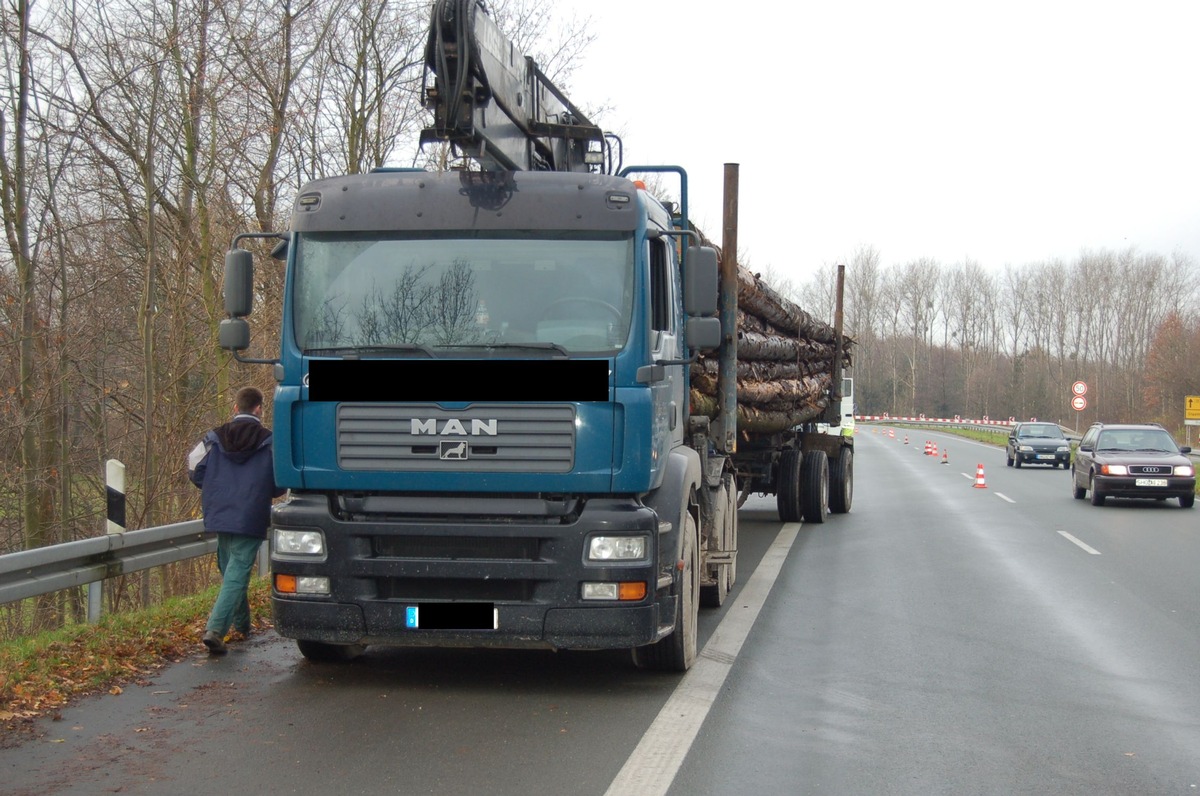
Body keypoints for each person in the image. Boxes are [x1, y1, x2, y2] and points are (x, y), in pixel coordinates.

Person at [188, 386, 285, 655]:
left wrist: (214, 488)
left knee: (231, 569)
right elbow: (280, 482)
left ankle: (242, 625)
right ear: (259, 409)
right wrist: (269, 491)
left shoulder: (213, 437)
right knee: (236, 571)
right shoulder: (270, 441)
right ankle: (216, 630)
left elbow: (195, 468)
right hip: (250, 513)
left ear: (235, 408)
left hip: (219, 511)